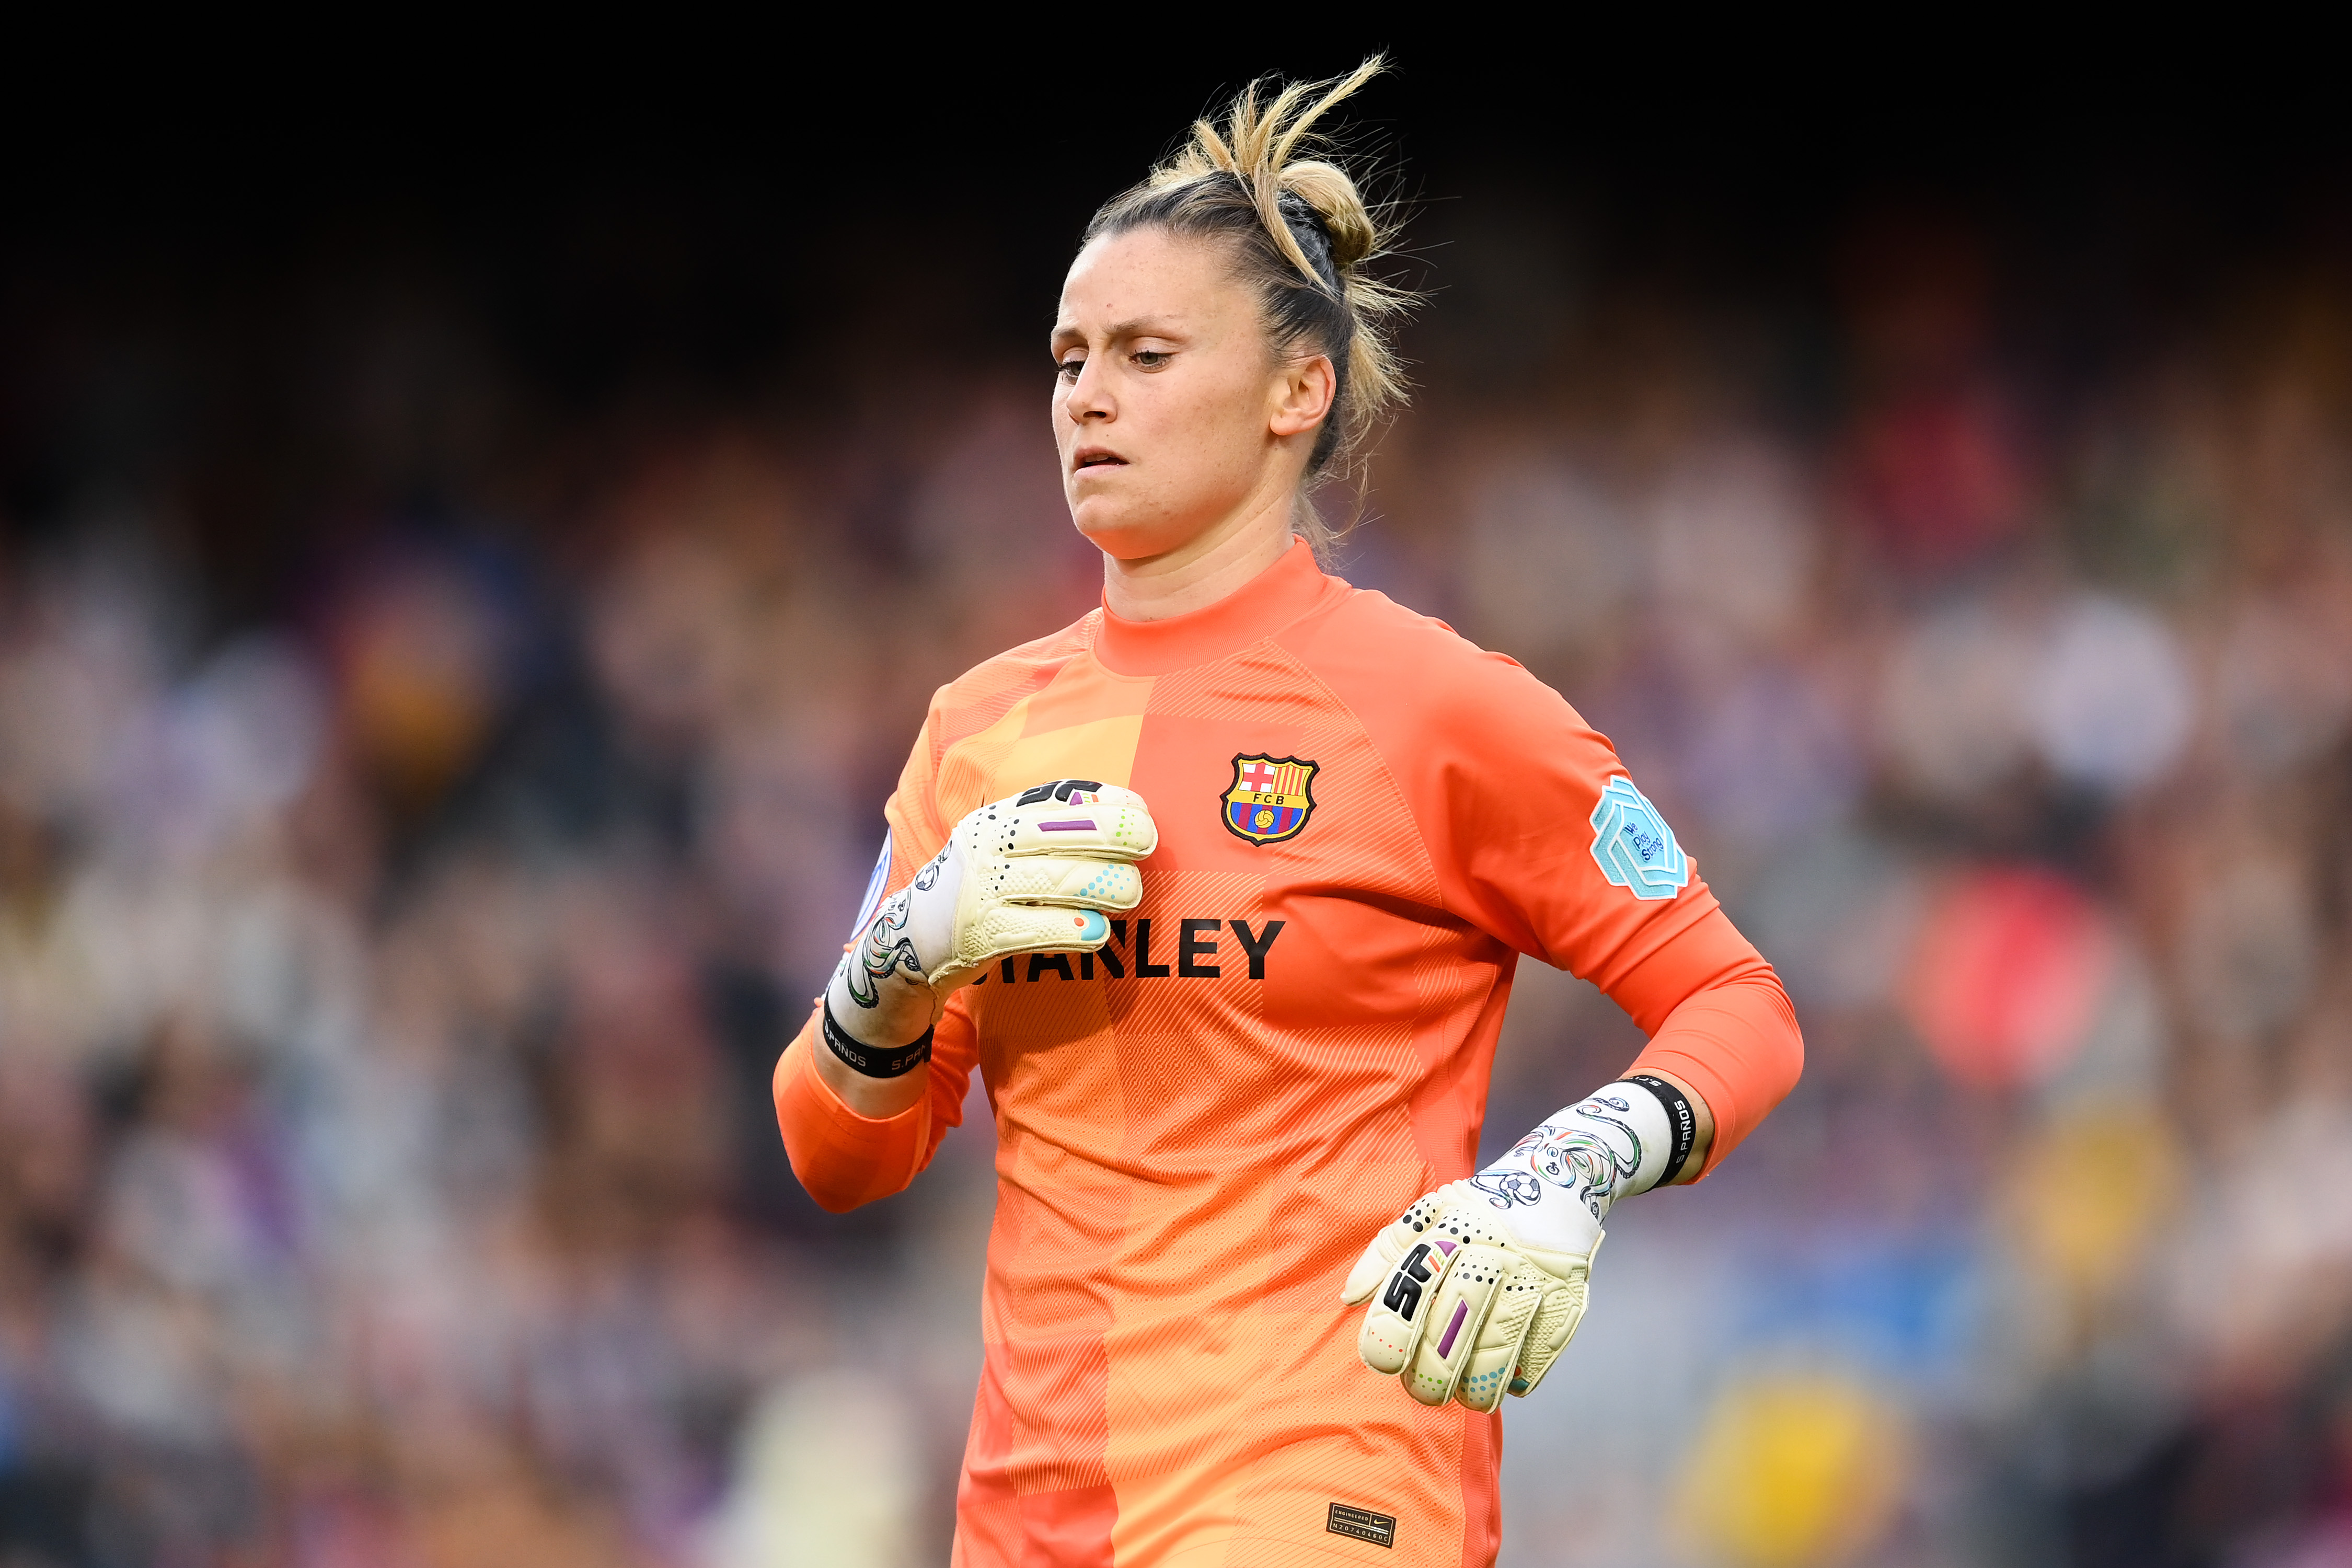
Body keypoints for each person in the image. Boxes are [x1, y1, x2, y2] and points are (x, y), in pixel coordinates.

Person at [774, 59, 1804, 1567]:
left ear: (1293, 391)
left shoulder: (1437, 706)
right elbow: (837, 1154)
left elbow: (1736, 1000)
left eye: (1143, 352)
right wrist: (891, 969)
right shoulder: (976, 730)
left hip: (1326, 1477)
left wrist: (1560, 1177)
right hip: (1029, 1506)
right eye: (1066, 360)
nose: (1087, 398)